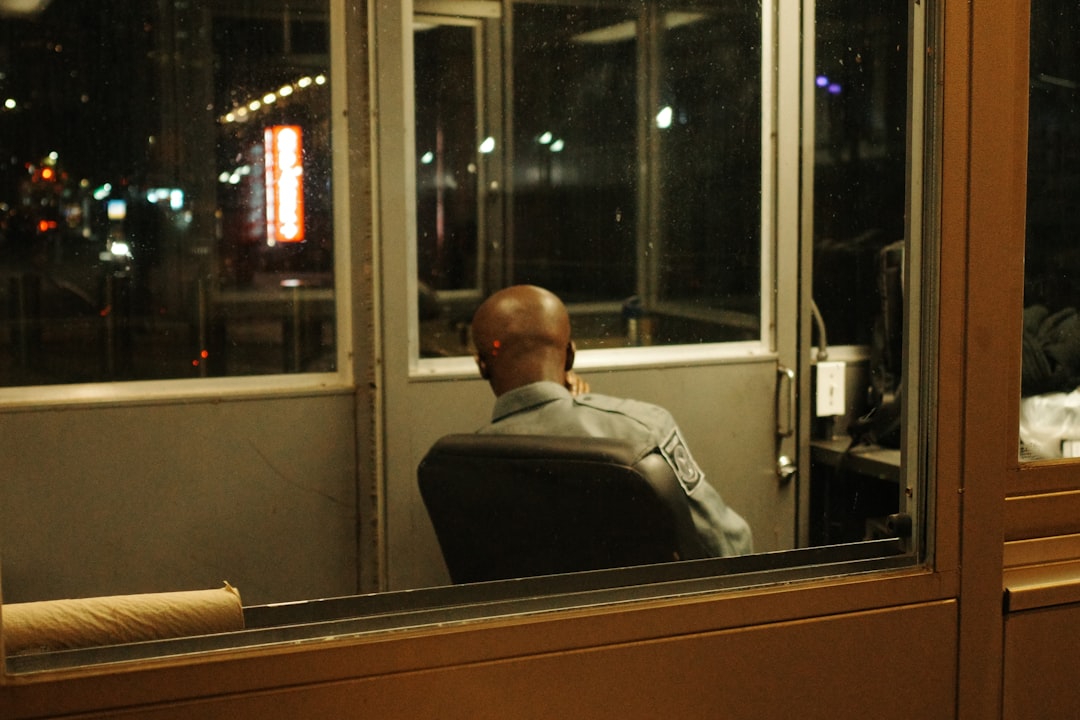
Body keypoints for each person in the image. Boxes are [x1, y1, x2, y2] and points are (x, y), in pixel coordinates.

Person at [470, 284, 753, 557]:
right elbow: (725, 545)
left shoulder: (464, 462)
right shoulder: (643, 430)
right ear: (569, 356)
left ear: (482, 366)